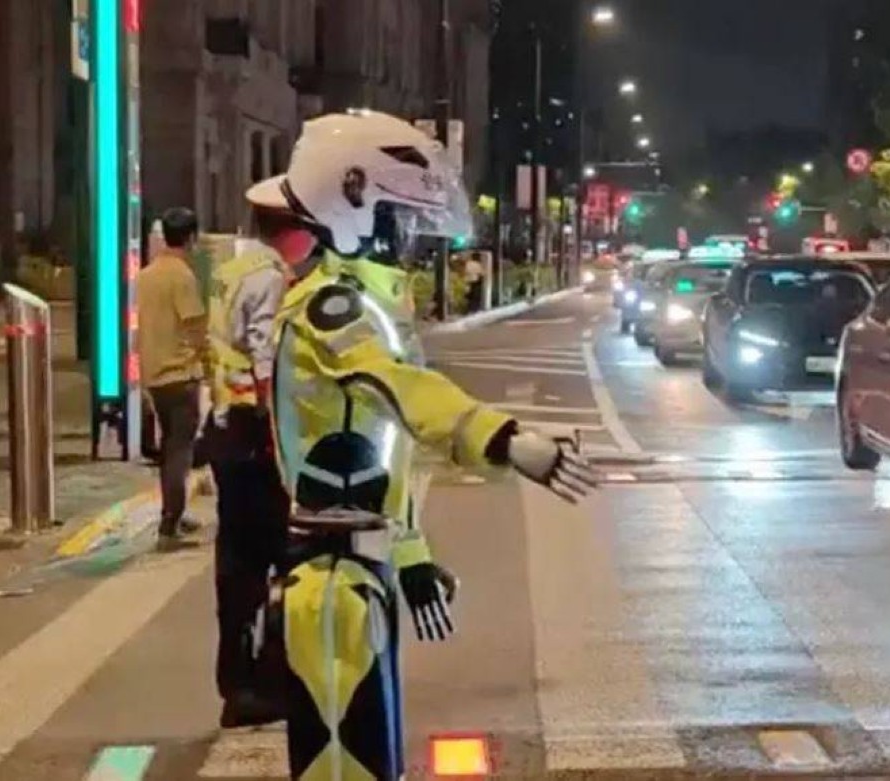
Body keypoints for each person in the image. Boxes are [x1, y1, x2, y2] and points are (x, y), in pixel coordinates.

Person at [247, 111, 597, 780]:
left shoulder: (362, 304)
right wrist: (504, 438)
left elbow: (380, 454)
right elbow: (403, 389)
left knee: (371, 754)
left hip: (356, 569)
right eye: (396, 220)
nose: (407, 238)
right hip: (331, 579)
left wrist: (409, 557)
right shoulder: (334, 309)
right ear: (354, 209)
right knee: (344, 763)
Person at [205, 189, 317, 728]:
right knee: (284, 552)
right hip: (255, 433)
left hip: (226, 427)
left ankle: (239, 679)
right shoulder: (270, 276)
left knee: (236, 560)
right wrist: (283, 437)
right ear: (293, 231)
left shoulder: (235, 267)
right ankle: (263, 681)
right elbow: (266, 357)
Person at [137, 207, 206, 551]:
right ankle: (170, 525)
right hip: (180, 374)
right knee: (180, 452)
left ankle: (175, 514)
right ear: (191, 237)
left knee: (169, 448)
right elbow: (195, 326)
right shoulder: (182, 277)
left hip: (154, 374)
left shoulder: (146, 275)